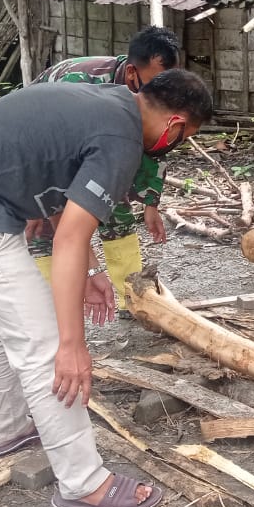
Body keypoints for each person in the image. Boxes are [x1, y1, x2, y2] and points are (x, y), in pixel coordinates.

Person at [0, 69, 213, 507]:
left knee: (2, 320)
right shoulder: (122, 140)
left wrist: (90, 269)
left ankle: (6, 430)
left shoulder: (111, 102)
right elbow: (68, 236)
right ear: (175, 125)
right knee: (46, 347)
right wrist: (72, 345)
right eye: (185, 138)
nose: (176, 146)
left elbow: (54, 181)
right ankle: (83, 483)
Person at [26, 26, 182, 315]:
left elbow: (156, 144)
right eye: (154, 84)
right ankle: (52, 307)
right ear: (133, 73)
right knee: (46, 227)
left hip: (95, 149)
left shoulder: (154, 94)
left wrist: (151, 202)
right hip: (47, 148)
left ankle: (133, 299)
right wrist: (37, 200)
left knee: (116, 208)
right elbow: (44, 146)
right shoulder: (79, 81)